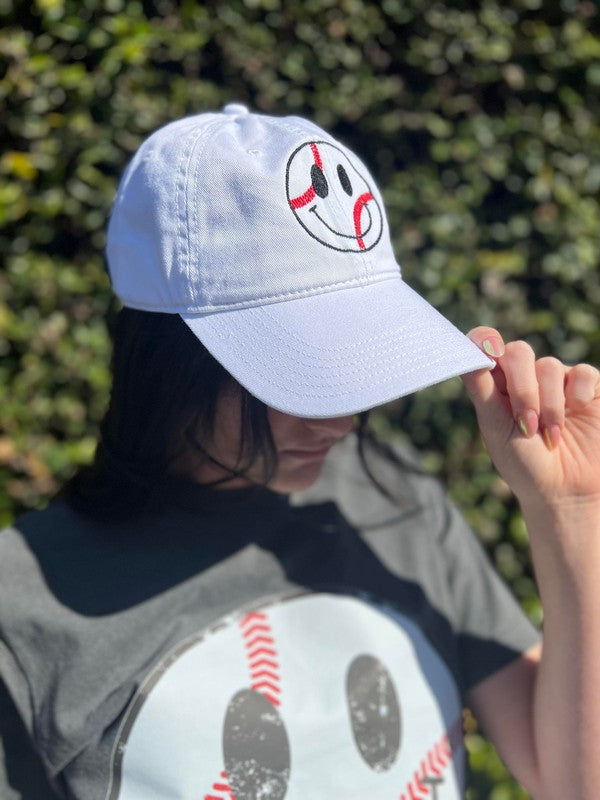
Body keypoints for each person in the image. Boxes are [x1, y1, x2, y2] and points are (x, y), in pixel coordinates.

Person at [0, 104, 598, 800]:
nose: (339, 420)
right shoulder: (23, 612)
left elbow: (573, 783)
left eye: (359, 359)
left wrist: (569, 508)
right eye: (298, 373)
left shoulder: (395, 495)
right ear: (166, 363)